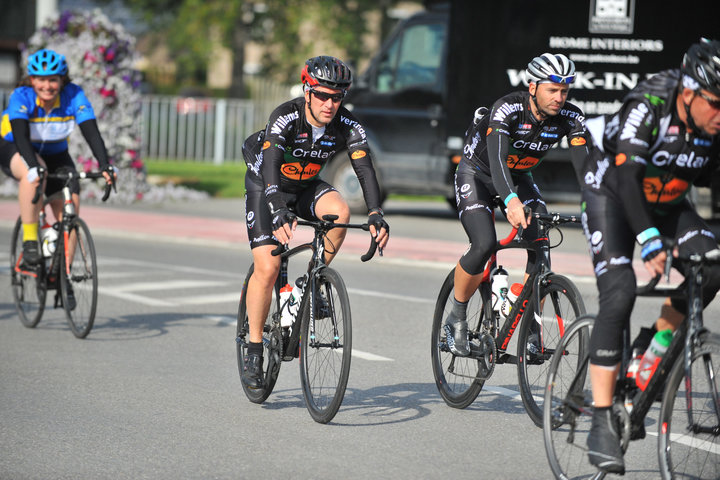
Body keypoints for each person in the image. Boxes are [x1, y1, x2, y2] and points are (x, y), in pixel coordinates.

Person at [580, 38, 720, 474]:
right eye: (715, 104)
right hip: (612, 193)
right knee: (620, 291)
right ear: (689, 93)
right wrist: (650, 241)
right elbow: (626, 177)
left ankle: (652, 346)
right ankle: (601, 419)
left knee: (712, 269)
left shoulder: (714, 127)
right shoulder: (650, 103)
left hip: (668, 202)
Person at [240, 55, 390, 388]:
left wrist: (377, 213)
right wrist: (277, 206)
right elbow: (271, 164)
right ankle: (253, 347)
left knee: (341, 213)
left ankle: (311, 282)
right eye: (322, 94)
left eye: (337, 97)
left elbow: (364, 169)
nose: (330, 103)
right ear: (307, 91)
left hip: (306, 185)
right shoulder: (286, 116)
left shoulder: (348, 125)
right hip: (267, 186)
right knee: (267, 267)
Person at [444, 53, 591, 356]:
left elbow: (586, 171)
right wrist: (510, 201)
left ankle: (530, 330)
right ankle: (455, 317)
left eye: (565, 91)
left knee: (540, 240)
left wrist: (597, 208)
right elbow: (497, 161)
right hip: (478, 175)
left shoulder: (572, 118)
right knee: (484, 244)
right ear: (533, 86)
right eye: (552, 90)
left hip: (520, 176)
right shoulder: (507, 108)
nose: (559, 98)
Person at [0, 48, 116, 273]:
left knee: (71, 206)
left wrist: (104, 164)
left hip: (56, 153)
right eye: (41, 80)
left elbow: (91, 131)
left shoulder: (73, 95)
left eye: (53, 80)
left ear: (62, 80)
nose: (47, 86)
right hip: (14, 147)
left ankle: (63, 273)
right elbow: (22, 137)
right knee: (35, 173)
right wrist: (33, 167)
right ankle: (31, 242)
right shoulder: (21, 96)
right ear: (32, 80)